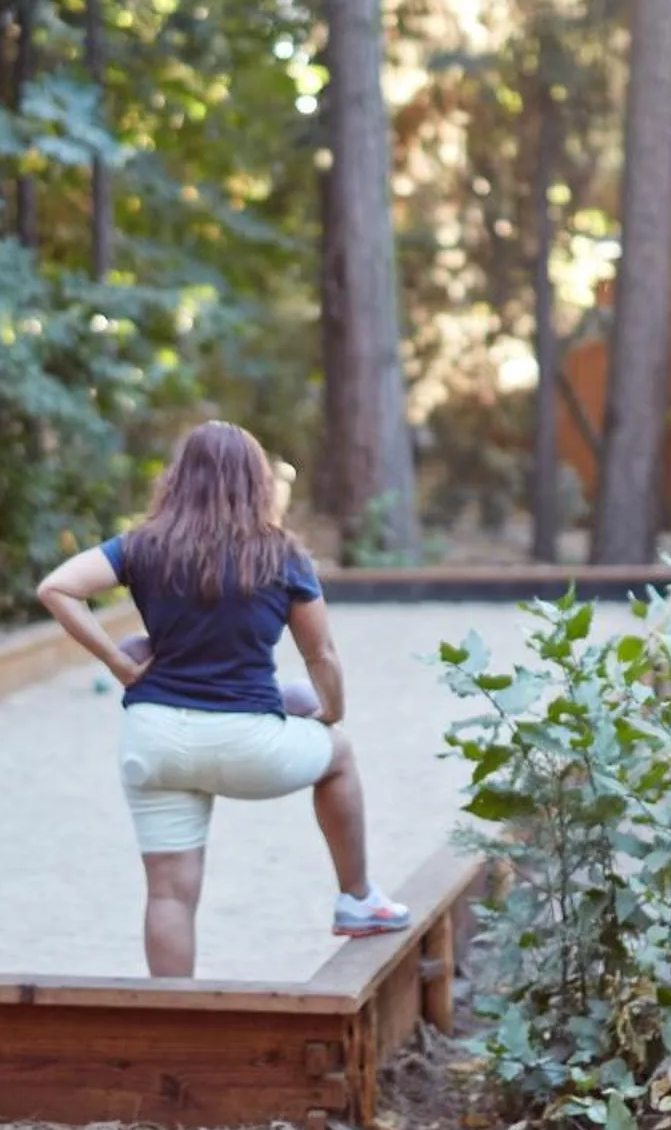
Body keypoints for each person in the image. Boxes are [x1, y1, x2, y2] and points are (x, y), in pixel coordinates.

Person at [35, 420, 409, 980]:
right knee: (340, 755)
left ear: (179, 479)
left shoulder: (142, 545)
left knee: (168, 894)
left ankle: (173, 1019)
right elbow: (322, 654)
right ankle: (357, 898)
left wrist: (117, 661)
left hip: (155, 737)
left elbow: (56, 587)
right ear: (256, 483)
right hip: (247, 743)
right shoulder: (281, 555)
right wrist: (329, 712)